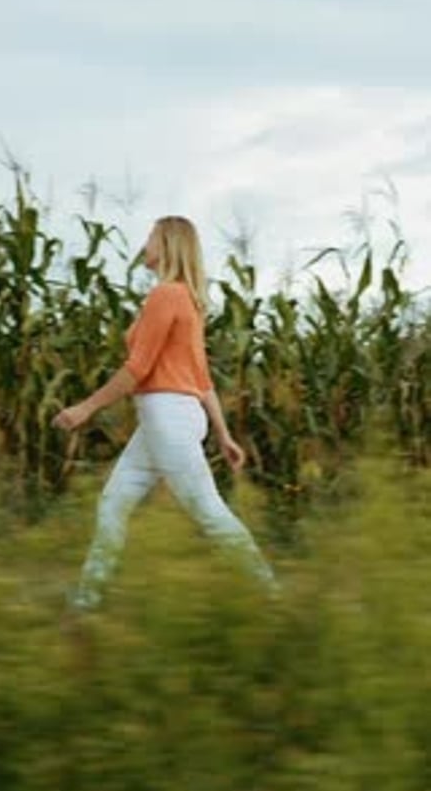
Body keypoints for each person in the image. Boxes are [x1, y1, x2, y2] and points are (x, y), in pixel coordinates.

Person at [51, 215, 278, 610]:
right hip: (172, 417)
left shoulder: (166, 296)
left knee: (208, 511)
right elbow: (202, 378)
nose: (145, 244)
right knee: (114, 503)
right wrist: (223, 435)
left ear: (169, 245)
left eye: (152, 237)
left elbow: (137, 369)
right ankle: (84, 601)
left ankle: (272, 596)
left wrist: (85, 407)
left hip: (166, 416)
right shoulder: (185, 299)